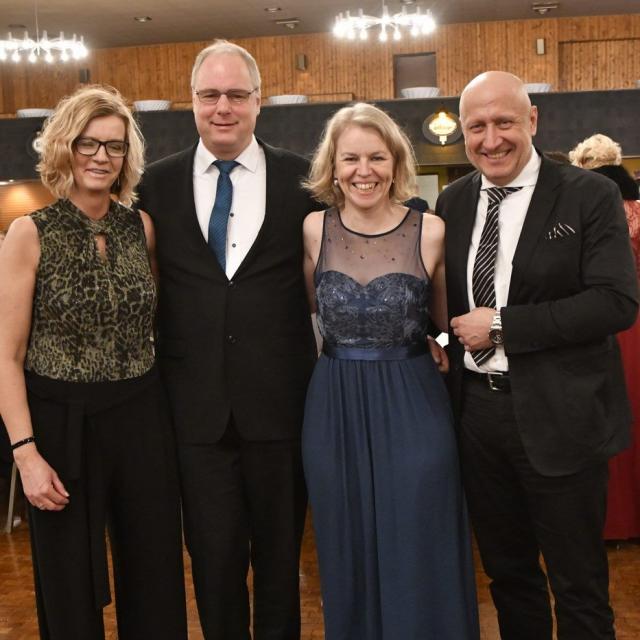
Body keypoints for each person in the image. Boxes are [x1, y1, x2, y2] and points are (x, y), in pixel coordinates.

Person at [436, 70, 638, 640]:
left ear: (532, 120)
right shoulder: (452, 201)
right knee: (508, 577)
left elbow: (615, 302)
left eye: (504, 122)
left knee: (579, 586)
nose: (490, 139)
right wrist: (440, 341)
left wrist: (502, 325)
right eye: (476, 126)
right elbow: (454, 312)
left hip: (562, 415)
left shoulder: (588, 193)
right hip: (477, 418)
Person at [137, 41, 318, 640]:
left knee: (280, 566)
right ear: (191, 102)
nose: (223, 107)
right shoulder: (153, 186)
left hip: (281, 408)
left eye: (236, 95)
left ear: (258, 102)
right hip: (194, 415)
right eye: (210, 95)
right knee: (213, 565)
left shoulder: (304, 180)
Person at [0, 86, 187, 640]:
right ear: (65, 146)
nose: (102, 157)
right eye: (89, 143)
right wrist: (26, 454)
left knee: (155, 574)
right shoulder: (29, 232)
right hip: (60, 422)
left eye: (115, 146)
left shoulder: (140, 227)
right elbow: (6, 356)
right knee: (69, 587)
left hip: (141, 414)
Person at [301, 102, 479, 640]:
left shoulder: (431, 231)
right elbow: (311, 315)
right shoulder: (314, 229)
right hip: (334, 404)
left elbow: (448, 321)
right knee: (345, 537)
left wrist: (437, 342)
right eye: (351, 158)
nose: (364, 170)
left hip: (412, 400)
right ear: (333, 166)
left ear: (396, 163)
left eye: (376, 157)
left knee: (420, 532)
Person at [570, 133, 640, 540]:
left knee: (600, 413)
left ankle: (610, 519)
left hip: (594, 324)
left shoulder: (581, 208)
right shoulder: (636, 209)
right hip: (634, 324)